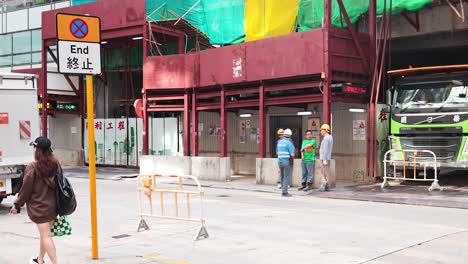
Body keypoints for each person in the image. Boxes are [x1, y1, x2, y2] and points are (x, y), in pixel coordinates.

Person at [10, 137, 59, 264]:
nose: (33, 149)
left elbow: (26, 189)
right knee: (45, 235)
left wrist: (17, 204)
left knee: (46, 236)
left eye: (34, 147)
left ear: (37, 150)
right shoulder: (56, 165)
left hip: (39, 208)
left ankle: (55, 262)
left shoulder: (33, 167)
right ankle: (40, 259)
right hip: (53, 207)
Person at [276, 128, 295, 197]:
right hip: (286, 161)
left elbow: (277, 152)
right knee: (286, 177)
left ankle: (283, 191)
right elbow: (292, 154)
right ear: (290, 135)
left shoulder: (279, 142)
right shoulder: (289, 143)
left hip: (279, 161)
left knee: (282, 177)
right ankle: (285, 192)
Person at [319, 124, 333, 192]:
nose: (321, 131)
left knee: (323, 173)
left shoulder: (326, 138)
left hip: (324, 158)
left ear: (325, 130)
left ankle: (323, 186)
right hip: (327, 158)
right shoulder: (330, 137)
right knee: (326, 173)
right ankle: (327, 186)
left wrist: (324, 159)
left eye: (321, 130)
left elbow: (325, 149)